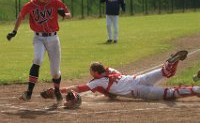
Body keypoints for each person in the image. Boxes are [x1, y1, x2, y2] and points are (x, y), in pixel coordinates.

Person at [40, 50, 200, 104]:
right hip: (139, 78)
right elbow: (111, 93)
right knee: (167, 73)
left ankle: (196, 89)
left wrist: (57, 90)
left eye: (91, 72)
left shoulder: (97, 81)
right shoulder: (111, 70)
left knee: (170, 94)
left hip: (139, 91)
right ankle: (170, 63)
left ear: (95, 73)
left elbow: (77, 88)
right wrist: (107, 93)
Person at [6, 0, 71, 103]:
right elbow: (21, 16)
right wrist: (14, 31)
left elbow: (69, 14)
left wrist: (64, 14)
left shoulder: (55, 2)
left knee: (55, 72)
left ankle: (57, 90)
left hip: (53, 39)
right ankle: (29, 92)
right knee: (37, 59)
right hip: (38, 38)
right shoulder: (31, 5)